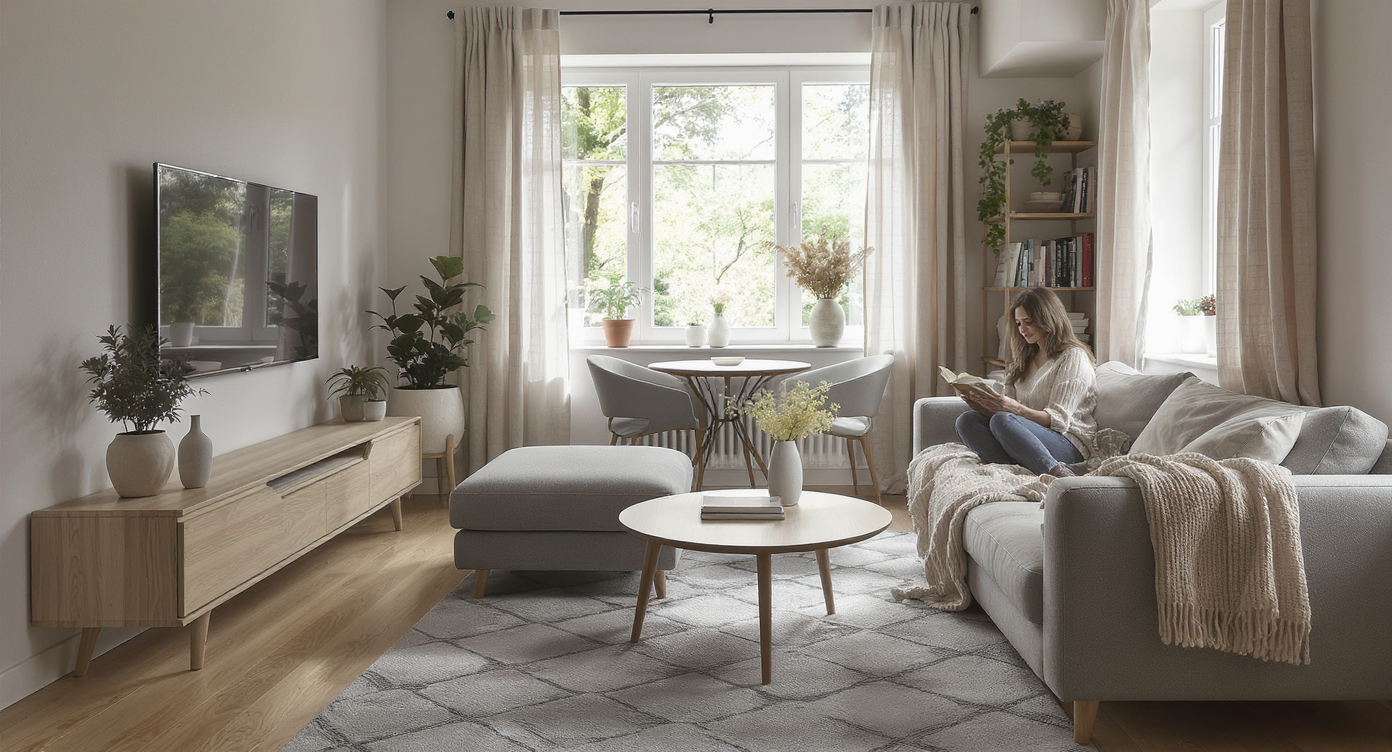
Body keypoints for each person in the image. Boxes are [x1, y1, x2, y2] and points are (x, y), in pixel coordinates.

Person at [955, 287, 1097, 478]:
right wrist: (982, 404)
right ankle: (1011, 470)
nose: (1022, 330)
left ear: (1048, 319)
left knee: (1002, 419)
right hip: (1028, 439)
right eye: (1018, 323)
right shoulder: (1023, 361)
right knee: (967, 420)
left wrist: (1014, 410)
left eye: (1028, 322)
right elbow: (1009, 415)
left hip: (1069, 443)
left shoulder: (1073, 356)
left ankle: (1057, 473)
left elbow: (1058, 421)